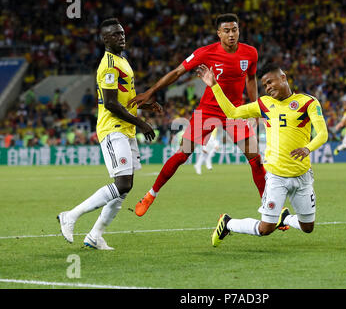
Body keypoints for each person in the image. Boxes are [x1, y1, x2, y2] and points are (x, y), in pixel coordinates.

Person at [128, 13, 266, 217]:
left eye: (234, 30)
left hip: (235, 111)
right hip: (208, 110)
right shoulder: (205, 53)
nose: (231, 34)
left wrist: (254, 109)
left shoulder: (250, 53)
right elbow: (176, 73)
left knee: (255, 159)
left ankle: (269, 207)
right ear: (218, 33)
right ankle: (150, 194)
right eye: (226, 31)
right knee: (182, 154)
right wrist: (150, 91)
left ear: (239, 31)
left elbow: (251, 79)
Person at [196, 63, 328, 247]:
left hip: (303, 176)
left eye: (270, 82)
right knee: (265, 229)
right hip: (276, 177)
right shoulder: (264, 104)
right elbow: (232, 112)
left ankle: (284, 218)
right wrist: (214, 86)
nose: (268, 87)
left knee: (308, 227)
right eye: (264, 85)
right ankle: (228, 223)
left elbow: (323, 134)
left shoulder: (308, 102)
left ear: (283, 77)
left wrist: (308, 148)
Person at [57, 18, 156, 250]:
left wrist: (144, 106)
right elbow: (110, 104)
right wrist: (142, 123)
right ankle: (70, 216)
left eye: (122, 33)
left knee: (125, 186)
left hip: (125, 128)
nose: (121, 37)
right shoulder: (109, 65)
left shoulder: (123, 60)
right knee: (122, 183)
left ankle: (95, 235)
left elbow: (123, 98)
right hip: (113, 128)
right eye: (115, 35)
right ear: (105, 39)